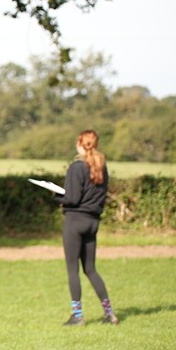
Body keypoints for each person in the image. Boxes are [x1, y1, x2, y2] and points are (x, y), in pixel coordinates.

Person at [55, 129, 118, 325]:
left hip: (75, 221)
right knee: (90, 269)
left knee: (72, 270)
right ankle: (109, 313)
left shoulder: (77, 167)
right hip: (92, 222)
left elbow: (72, 198)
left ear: (80, 144)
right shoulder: (101, 167)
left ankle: (77, 315)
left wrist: (56, 196)